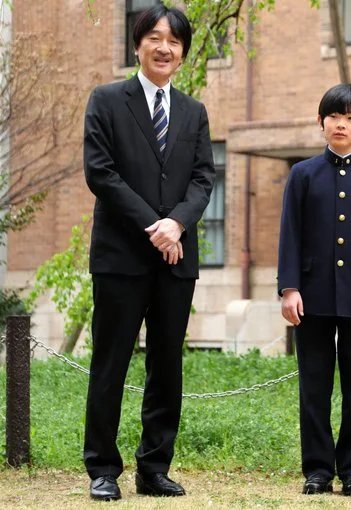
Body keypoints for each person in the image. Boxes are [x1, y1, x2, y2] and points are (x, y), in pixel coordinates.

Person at [82, 4, 215, 501]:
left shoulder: (194, 112)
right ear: (137, 44)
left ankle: (154, 467)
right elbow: (101, 172)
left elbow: (204, 177)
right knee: (110, 362)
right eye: (155, 38)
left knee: (167, 366)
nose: (164, 47)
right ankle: (102, 468)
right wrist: (152, 225)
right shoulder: (106, 100)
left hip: (176, 259)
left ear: (182, 53)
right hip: (120, 257)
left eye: (174, 41)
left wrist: (177, 222)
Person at [277, 84, 351, 497]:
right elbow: (289, 234)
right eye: (334, 116)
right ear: (321, 122)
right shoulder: (303, 174)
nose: (341, 124)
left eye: (350, 118)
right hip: (310, 295)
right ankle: (316, 469)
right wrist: (289, 288)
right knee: (314, 384)